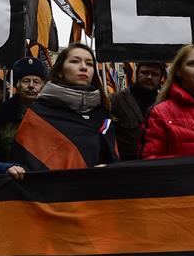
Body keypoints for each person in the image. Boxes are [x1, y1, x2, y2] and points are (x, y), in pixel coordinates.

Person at [12, 42, 119, 170]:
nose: (84, 67)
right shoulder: (39, 113)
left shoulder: (102, 114)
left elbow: (113, 160)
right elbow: (27, 167)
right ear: (60, 71)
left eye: (89, 64)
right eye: (75, 61)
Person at [0, 57, 47, 161]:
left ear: (42, 86)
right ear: (17, 85)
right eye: (26, 81)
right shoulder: (1, 116)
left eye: (36, 82)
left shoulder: (51, 114)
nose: (31, 86)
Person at [109, 61, 165, 160]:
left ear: (161, 78)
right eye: (145, 73)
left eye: (155, 74)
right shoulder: (116, 100)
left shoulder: (164, 103)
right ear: (136, 74)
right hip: (126, 166)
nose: (149, 77)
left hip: (155, 164)